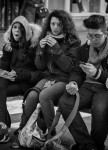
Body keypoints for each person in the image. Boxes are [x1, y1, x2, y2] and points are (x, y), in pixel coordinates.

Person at [11, 10, 81, 149]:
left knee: (44, 95)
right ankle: (23, 132)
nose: (55, 27)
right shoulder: (44, 36)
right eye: (53, 24)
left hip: (64, 79)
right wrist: (40, 52)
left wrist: (56, 48)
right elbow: (40, 66)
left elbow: (69, 67)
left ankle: (51, 136)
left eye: (59, 25)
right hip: (48, 77)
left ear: (65, 26)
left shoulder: (73, 42)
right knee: (31, 96)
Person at [58, 14, 108, 150]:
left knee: (100, 109)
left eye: (97, 36)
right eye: (90, 36)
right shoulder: (84, 49)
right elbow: (77, 71)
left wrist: (97, 73)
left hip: (107, 88)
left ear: (105, 33)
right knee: (65, 102)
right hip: (87, 86)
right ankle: (88, 145)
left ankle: (95, 145)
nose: (93, 40)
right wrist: (73, 83)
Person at [0, 15, 42, 143]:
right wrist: (6, 55)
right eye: (14, 27)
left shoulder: (34, 46)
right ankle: (3, 123)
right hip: (13, 82)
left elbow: (40, 72)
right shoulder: (10, 45)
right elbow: (3, 68)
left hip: (28, 84)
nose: (16, 30)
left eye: (20, 28)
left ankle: (3, 125)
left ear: (26, 31)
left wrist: (19, 75)